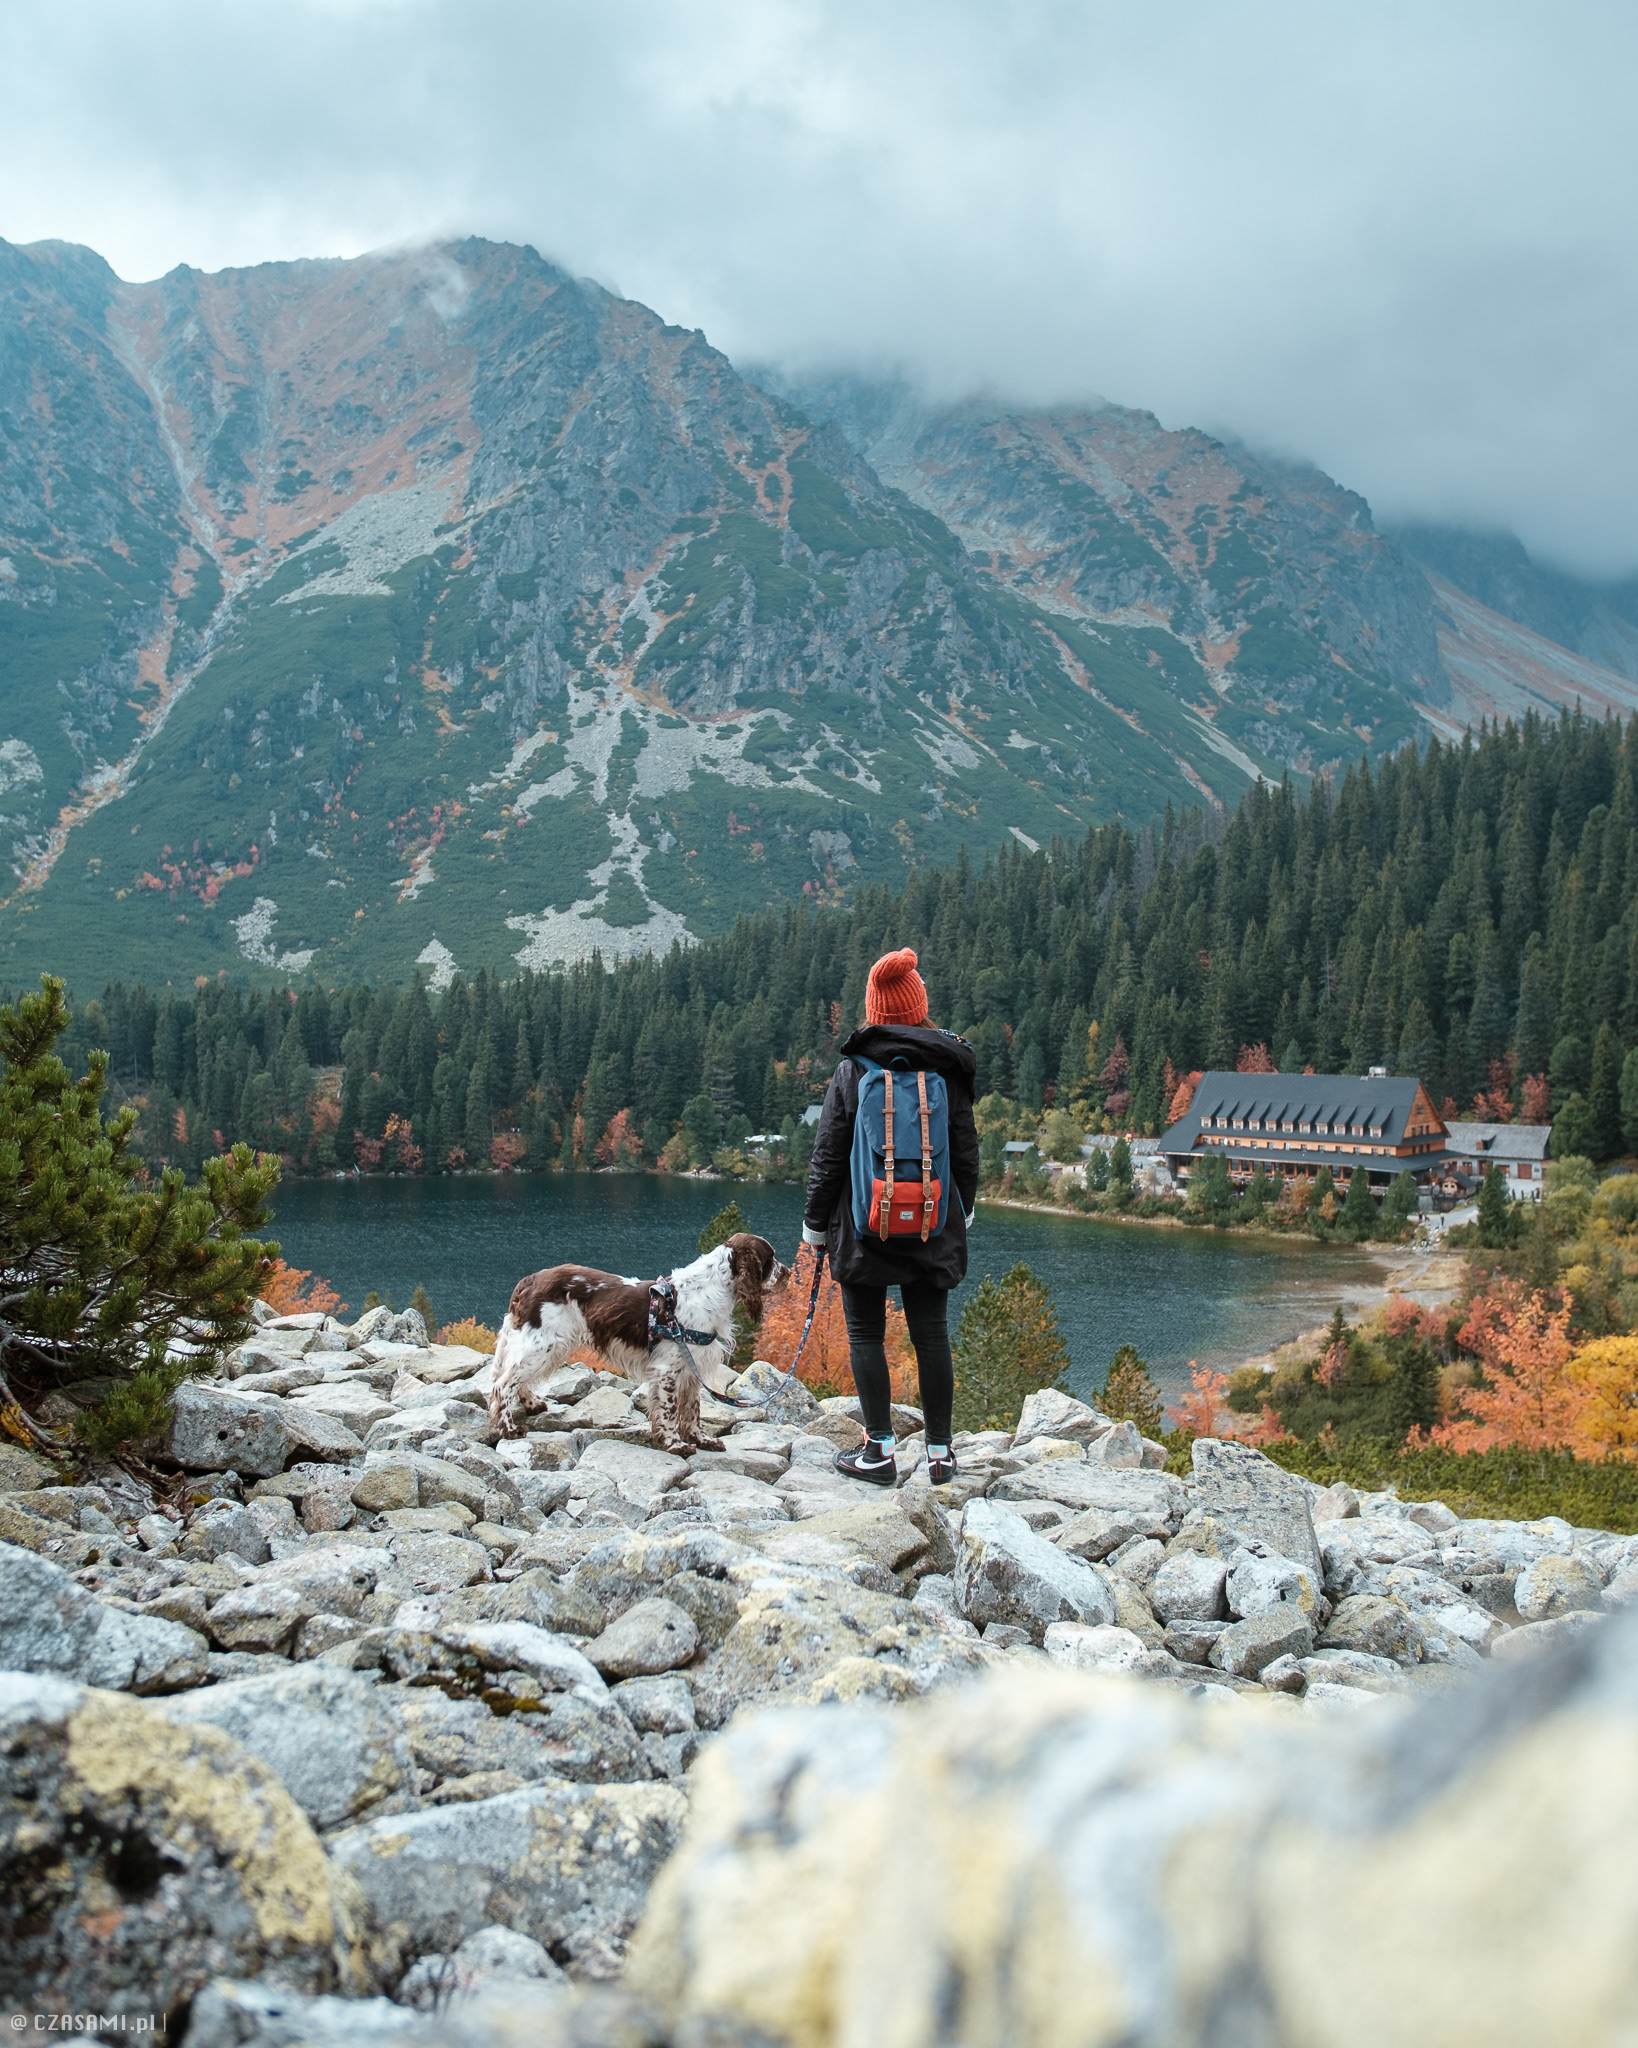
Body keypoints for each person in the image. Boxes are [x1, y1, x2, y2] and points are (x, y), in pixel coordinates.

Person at [801, 946, 979, 1487]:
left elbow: (829, 1154)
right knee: (931, 1334)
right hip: (931, 1218)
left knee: (865, 1335)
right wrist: (960, 1211)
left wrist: (813, 1226)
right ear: (919, 1007)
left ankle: (878, 1451)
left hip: (862, 1221)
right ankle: (942, 1454)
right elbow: (966, 1150)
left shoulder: (853, 1071)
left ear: (875, 1011)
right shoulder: (948, 1067)